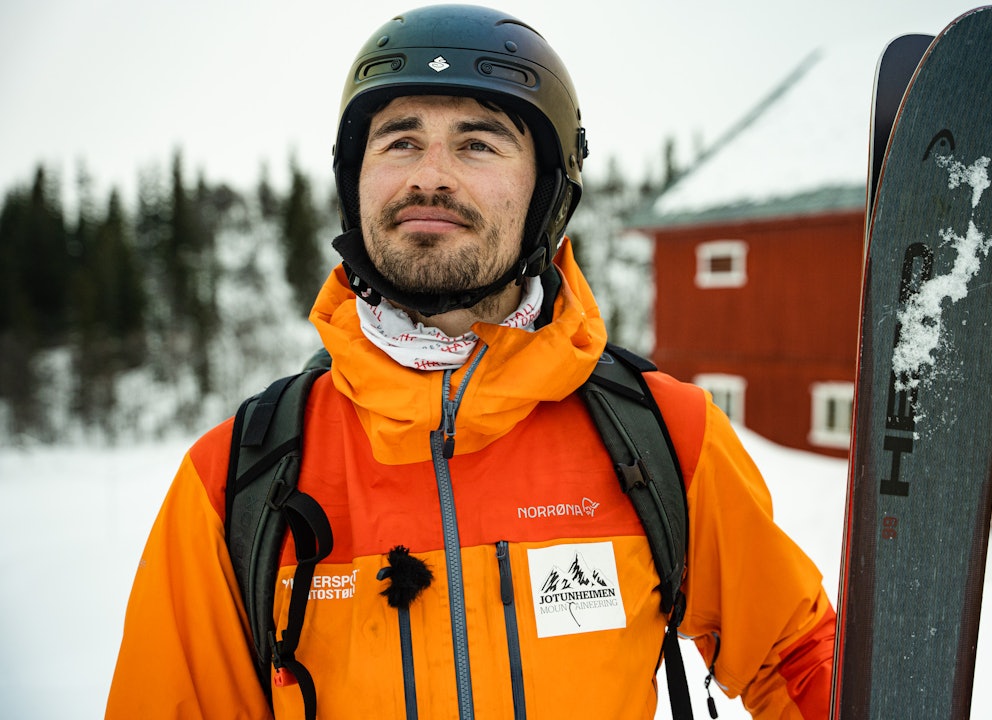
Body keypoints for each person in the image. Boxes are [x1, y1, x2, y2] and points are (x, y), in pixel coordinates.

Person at [106, 5, 835, 719]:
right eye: (398, 140)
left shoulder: (669, 439)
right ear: (353, 180)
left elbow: (795, 656)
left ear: (547, 190)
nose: (431, 176)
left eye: (478, 143)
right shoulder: (234, 481)